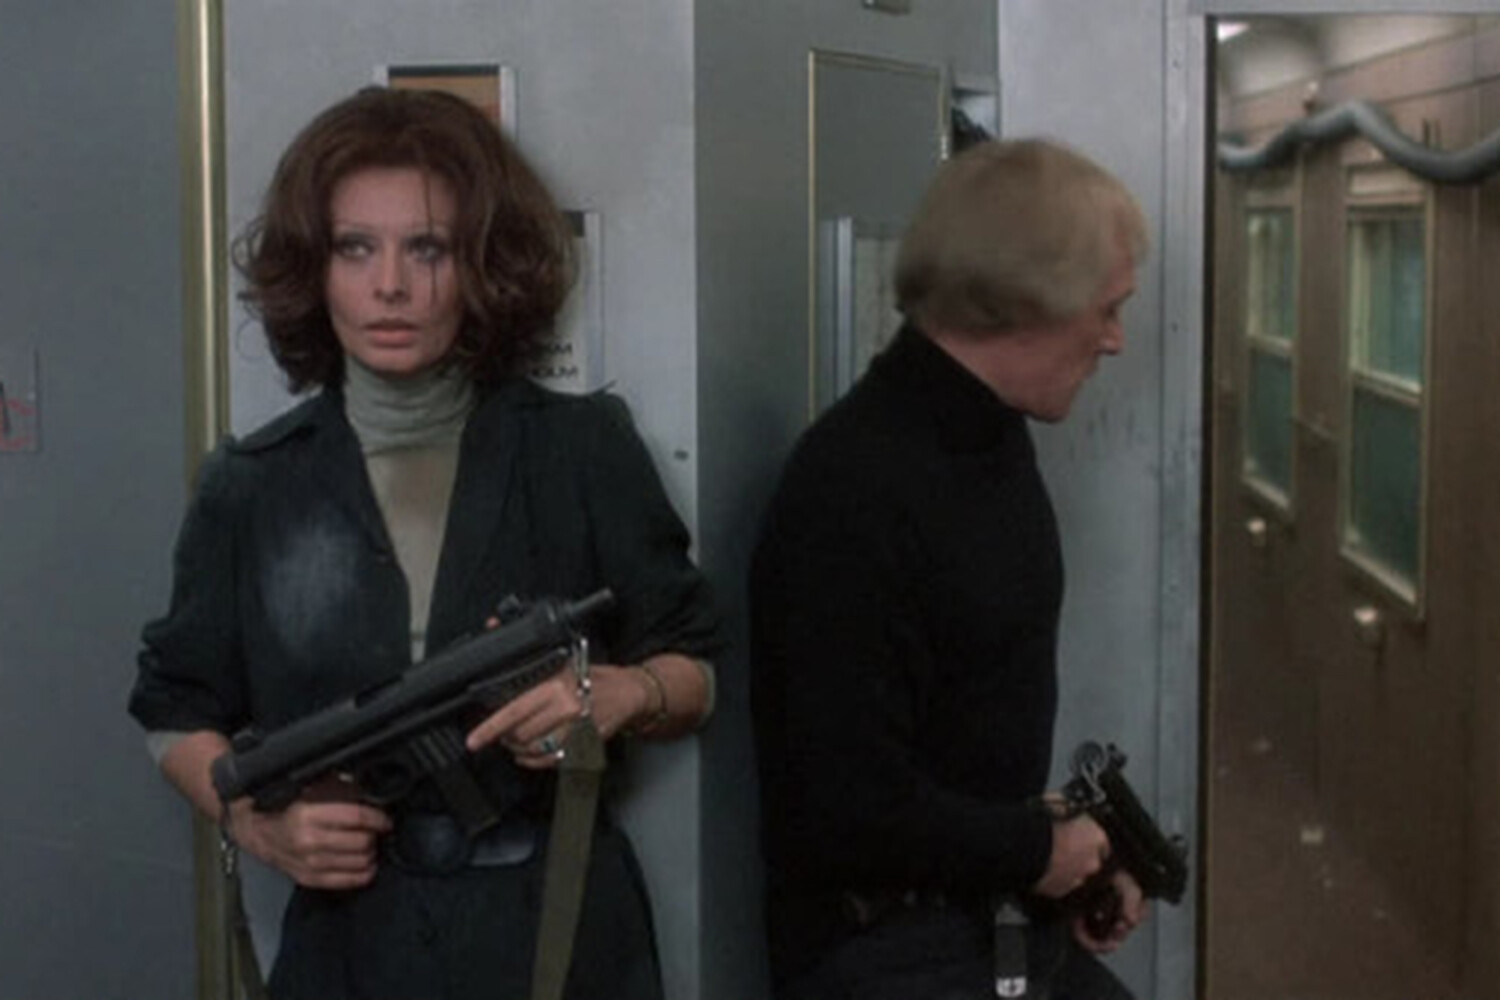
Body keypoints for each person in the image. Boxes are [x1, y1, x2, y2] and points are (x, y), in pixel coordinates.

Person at [128, 87, 721, 1000]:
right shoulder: (252, 485)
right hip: (350, 940)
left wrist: (623, 695)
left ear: (482, 266)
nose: (390, 286)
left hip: (558, 926)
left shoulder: (577, 449)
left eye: (428, 249)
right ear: (315, 269)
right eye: (354, 248)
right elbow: (173, 707)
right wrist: (250, 822)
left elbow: (697, 670)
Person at [749, 138, 1150, 1000]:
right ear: (1024, 301)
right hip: (886, 954)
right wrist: (1034, 850)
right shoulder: (853, 487)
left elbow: (961, 733)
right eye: (1107, 309)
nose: (1116, 340)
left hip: (983, 917)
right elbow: (844, 804)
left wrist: (1065, 859)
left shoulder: (989, 438)